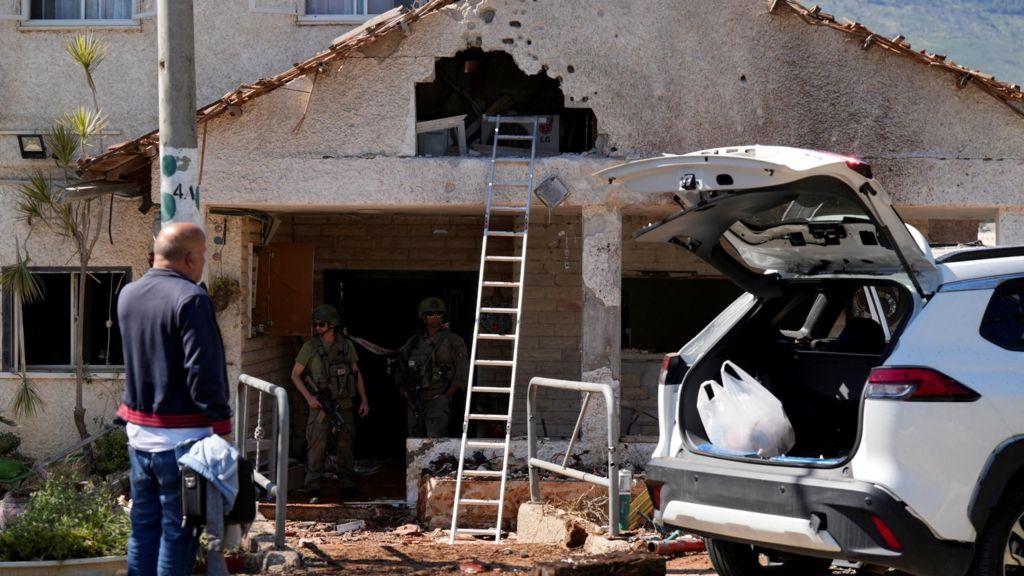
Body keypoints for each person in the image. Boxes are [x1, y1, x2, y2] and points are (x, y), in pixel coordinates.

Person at [116, 222, 232, 576]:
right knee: (179, 532)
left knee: (144, 528)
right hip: (183, 441)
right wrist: (222, 424)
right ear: (191, 257)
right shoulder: (192, 299)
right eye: (201, 260)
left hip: (139, 437)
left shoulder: (128, 294)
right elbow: (203, 372)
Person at [289, 304, 368, 502]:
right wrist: (309, 397)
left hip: (344, 404)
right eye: (315, 324)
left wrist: (364, 399)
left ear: (332, 325)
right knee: (317, 444)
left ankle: (347, 485)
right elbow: (295, 375)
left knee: (346, 443)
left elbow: (356, 373)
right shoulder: (309, 347)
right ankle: (313, 487)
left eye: (321, 324)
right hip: (321, 405)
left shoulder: (345, 346)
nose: (317, 328)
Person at [396, 297, 469, 438]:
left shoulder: (454, 341)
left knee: (435, 441)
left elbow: (462, 371)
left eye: (439, 314)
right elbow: (401, 367)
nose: (435, 317)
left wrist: (447, 395)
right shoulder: (414, 342)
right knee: (414, 441)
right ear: (423, 317)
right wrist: (404, 390)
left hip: (438, 400)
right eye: (430, 314)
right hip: (415, 398)